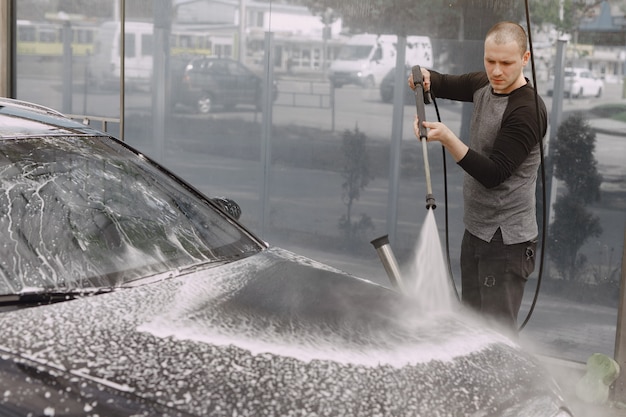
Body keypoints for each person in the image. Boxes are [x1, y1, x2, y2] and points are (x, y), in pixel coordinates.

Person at [408, 21, 547, 334]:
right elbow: (444, 83)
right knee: (468, 329)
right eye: (490, 61)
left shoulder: (527, 111)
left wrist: (447, 138)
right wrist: (425, 77)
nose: (496, 71)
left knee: (495, 338)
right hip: (476, 232)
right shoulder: (485, 84)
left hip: (506, 243)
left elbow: (494, 174)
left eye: (506, 63)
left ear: (525, 59)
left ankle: (502, 385)